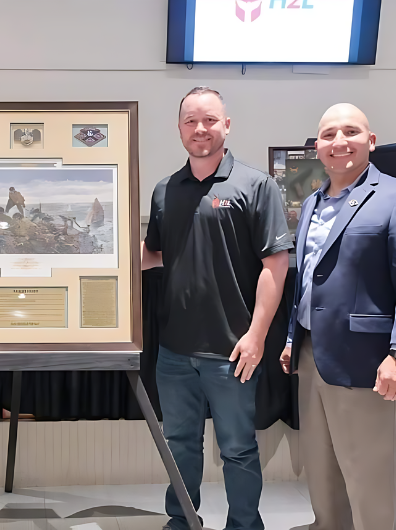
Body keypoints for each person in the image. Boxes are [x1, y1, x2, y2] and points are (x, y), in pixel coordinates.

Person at [280, 103, 396, 530]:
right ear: (317, 147)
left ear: (371, 141)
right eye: (328, 134)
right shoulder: (311, 203)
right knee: (322, 473)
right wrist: (294, 338)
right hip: (312, 355)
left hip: (367, 361)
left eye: (351, 131)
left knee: (369, 481)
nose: (339, 141)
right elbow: (309, 278)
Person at [142, 86, 292, 530]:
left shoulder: (255, 185)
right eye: (191, 121)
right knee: (179, 444)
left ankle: (244, 525)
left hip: (233, 351)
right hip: (174, 352)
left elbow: (275, 265)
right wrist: (95, 254)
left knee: (238, 449)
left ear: (226, 125)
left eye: (209, 120)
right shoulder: (165, 190)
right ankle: (182, 521)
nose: (200, 129)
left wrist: (256, 336)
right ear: (179, 129)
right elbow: (154, 254)